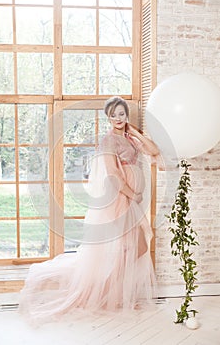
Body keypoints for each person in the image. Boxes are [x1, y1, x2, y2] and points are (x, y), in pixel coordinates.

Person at [19, 96, 162, 326]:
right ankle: (105, 295)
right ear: (107, 117)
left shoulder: (128, 137)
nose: (117, 118)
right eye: (113, 115)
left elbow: (153, 150)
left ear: (127, 116)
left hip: (129, 201)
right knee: (127, 249)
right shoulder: (109, 141)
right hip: (119, 199)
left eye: (121, 114)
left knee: (136, 248)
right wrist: (133, 195)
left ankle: (114, 295)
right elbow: (114, 177)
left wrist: (134, 131)